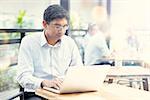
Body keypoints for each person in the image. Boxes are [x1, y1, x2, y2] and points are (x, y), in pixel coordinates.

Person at [17, 4, 83, 100]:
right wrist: (44, 82)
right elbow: (23, 76)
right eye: (57, 26)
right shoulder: (29, 42)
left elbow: (78, 69)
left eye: (65, 26)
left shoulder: (69, 43)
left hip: (62, 91)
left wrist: (65, 82)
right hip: (37, 93)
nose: (62, 31)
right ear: (44, 24)